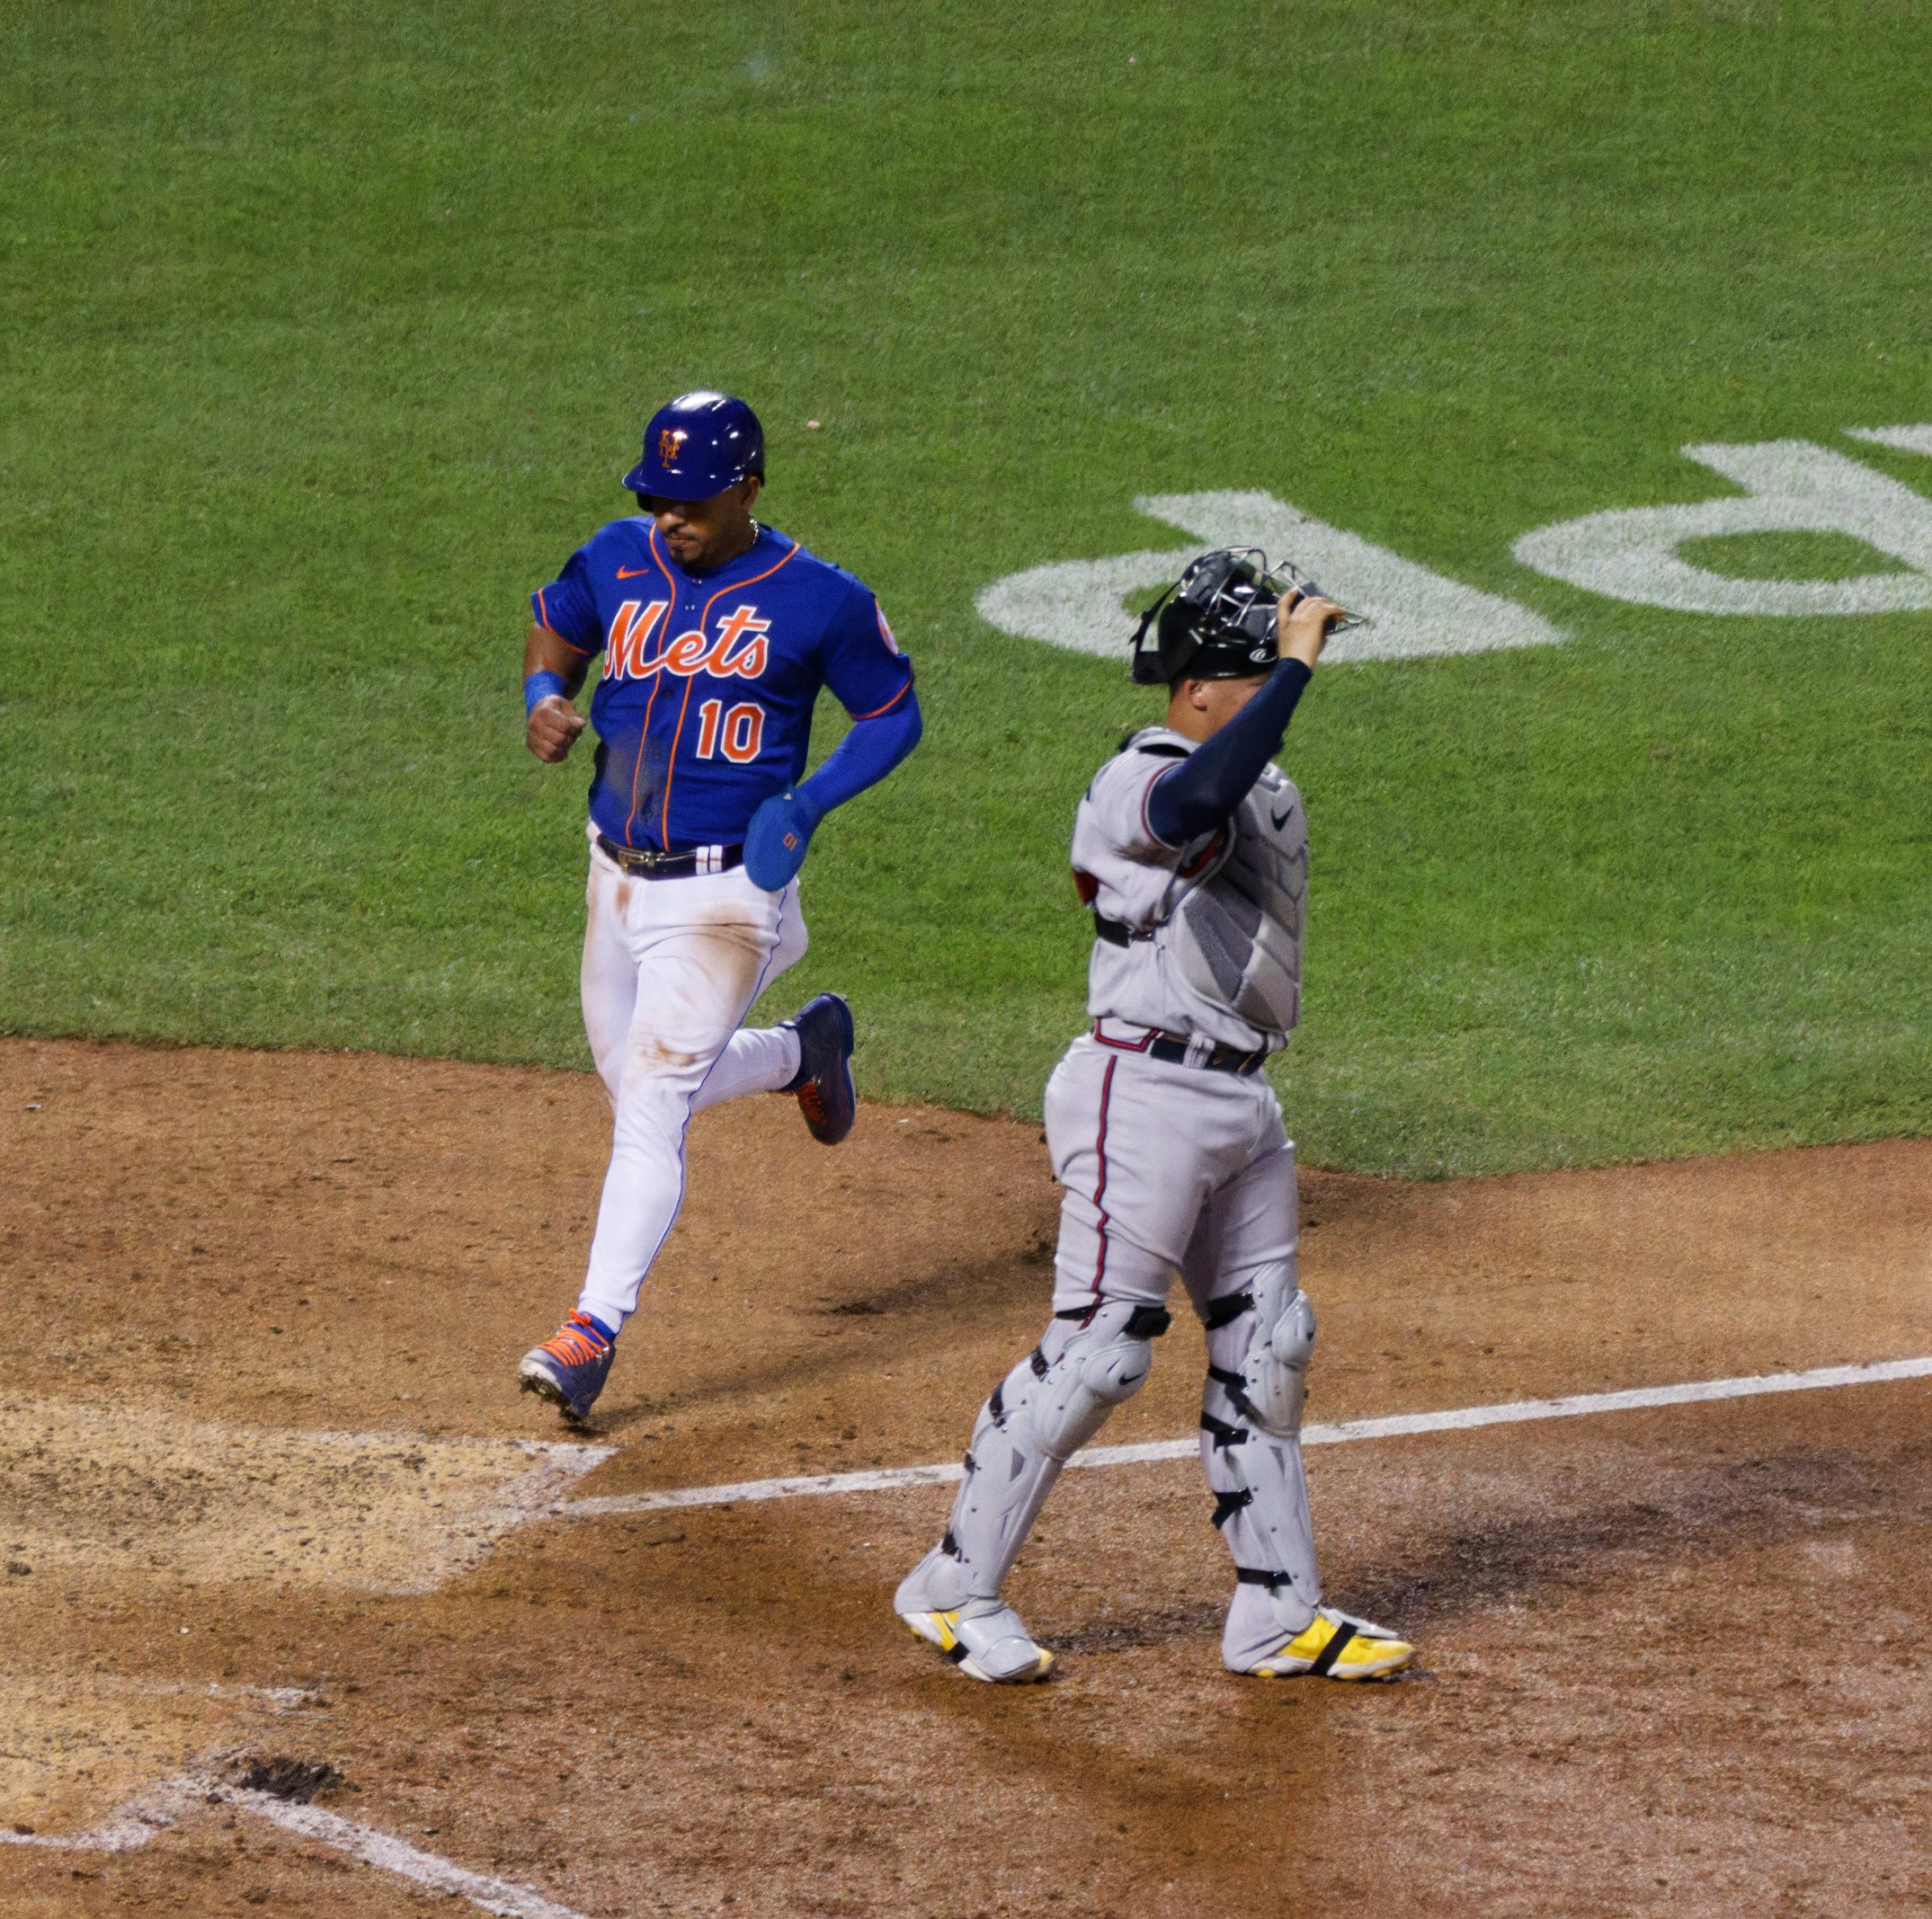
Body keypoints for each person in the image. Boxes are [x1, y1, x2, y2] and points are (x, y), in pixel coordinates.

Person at [892, 549, 1416, 1683]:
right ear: (1201, 685)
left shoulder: (1263, 778)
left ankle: (1278, 1612)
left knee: (1269, 1350)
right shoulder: (1137, 779)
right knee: (1100, 1356)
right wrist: (1296, 671)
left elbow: (1239, 783)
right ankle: (951, 1587)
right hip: (1141, 1094)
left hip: (1240, 1099)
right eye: (1257, 674)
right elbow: (1197, 799)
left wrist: (1275, 683)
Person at [513, 391, 922, 1424]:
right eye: (657, 495)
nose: (670, 517)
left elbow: (891, 712)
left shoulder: (818, 597)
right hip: (613, 874)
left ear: (749, 487)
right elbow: (556, 628)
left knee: (652, 1103)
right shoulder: (616, 556)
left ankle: (590, 1332)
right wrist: (543, 701)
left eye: (692, 499)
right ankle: (801, 1054)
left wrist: (810, 800)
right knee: (634, 1079)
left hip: (728, 893)